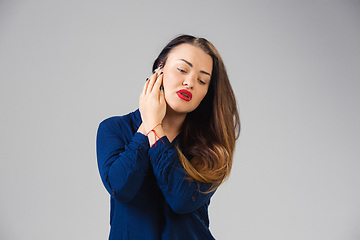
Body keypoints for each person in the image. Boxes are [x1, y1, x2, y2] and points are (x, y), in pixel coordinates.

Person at [96, 34, 240, 240]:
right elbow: (121, 188)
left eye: (202, 80)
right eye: (182, 70)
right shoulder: (114, 129)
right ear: (159, 69)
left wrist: (154, 126)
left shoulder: (212, 149)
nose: (190, 82)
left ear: (207, 93)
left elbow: (180, 199)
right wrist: (147, 126)